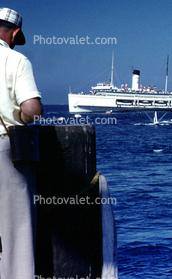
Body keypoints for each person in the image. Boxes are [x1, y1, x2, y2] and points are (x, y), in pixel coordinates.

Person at [0, 7, 43, 279]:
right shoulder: (15, 60)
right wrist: (26, 114)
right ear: (15, 33)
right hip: (3, 150)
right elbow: (32, 109)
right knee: (16, 230)